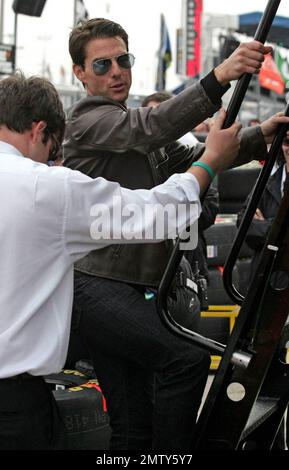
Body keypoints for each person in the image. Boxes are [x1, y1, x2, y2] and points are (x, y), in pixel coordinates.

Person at [63, 17, 289, 450]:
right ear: (79, 74)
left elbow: (200, 155)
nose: (116, 72)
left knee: (133, 423)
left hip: (127, 289)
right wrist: (222, 74)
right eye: (102, 65)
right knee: (186, 361)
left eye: (123, 60)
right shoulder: (89, 121)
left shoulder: (130, 130)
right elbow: (151, 127)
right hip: (97, 286)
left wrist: (265, 133)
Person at [0, 73, 249, 450]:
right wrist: (211, 160)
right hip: (14, 402)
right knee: (185, 361)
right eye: (54, 152)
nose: (54, 162)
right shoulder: (42, 187)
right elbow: (152, 214)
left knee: (133, 420)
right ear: (39, 130)